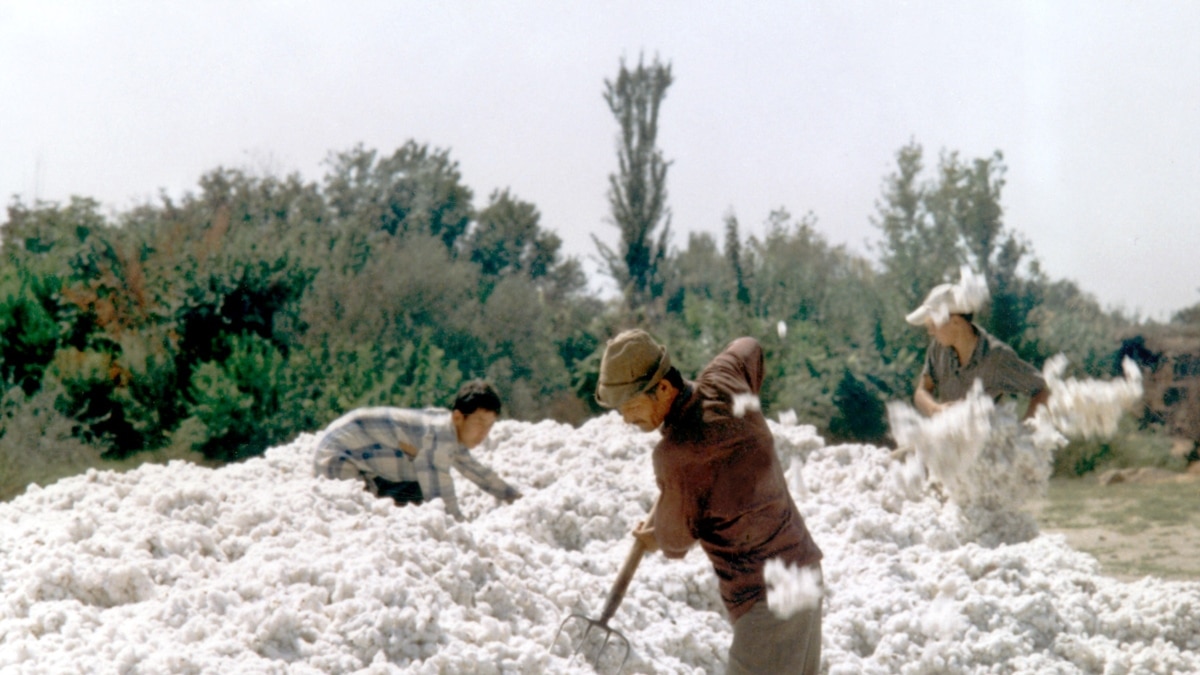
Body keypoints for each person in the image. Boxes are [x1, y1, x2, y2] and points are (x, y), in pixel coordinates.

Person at [596, 329, 824, 675]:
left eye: (630, 406)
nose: (626, 418)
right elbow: (749, 346)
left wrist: (651, 537)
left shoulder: (676, 457)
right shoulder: (723, 380)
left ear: (663, 388)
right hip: (804, 572)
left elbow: (674, 541)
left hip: (767, 602)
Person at [312, 379, 521, 520]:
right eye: (479, 423)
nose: (483, 433)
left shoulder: (448, 429)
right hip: (336, 458)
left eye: (489, 426)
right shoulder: (438, 438)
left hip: (359, 455)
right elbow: (443, 502)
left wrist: (515, 498)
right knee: (357, 518)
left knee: (416, 494)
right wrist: (464, 530)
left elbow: (475, 470)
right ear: (458, 417)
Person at [908, 266, 1049, 420]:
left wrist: (1024, 430)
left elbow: (1042, 391)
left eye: (933, 325)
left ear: (955, 322)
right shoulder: (938, 348)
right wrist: (935, 409)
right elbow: (921, 391)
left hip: (988, 441)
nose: (930, 332)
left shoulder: (996, 356)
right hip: (952, 441)